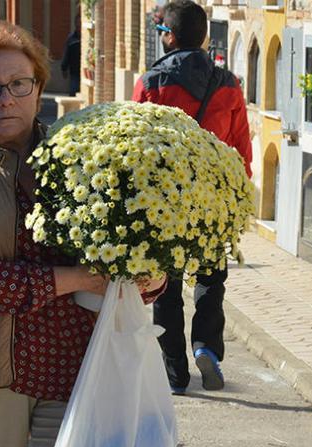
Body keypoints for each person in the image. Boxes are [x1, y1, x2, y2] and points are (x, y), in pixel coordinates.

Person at [0, 21, 166, 447]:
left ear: (37, 88)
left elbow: (128, 244)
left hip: (76, 363)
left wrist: (147, 277)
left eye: (17, 84)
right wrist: (78, 278)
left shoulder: (85, 155)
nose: (4, 99)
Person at [132, 0, 252, 395]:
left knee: (166, 285)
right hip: (213, 198)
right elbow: (240, 149)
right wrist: (237, 196)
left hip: (166, 200)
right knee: (211, 278)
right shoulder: (228, 83)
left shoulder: (152, 83)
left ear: (168, 35)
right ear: (204, 36)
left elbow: (139, 145)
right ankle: (207, 348)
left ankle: (175, 373)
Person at [59, 15, 80, 96]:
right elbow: (66, 54)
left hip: (84, 71)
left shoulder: (86, 38)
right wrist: (64, 68)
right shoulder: (71, 39)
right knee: (73, 93)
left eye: (80, 24)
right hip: (74, 72)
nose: (79, 27)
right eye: (77, 25)